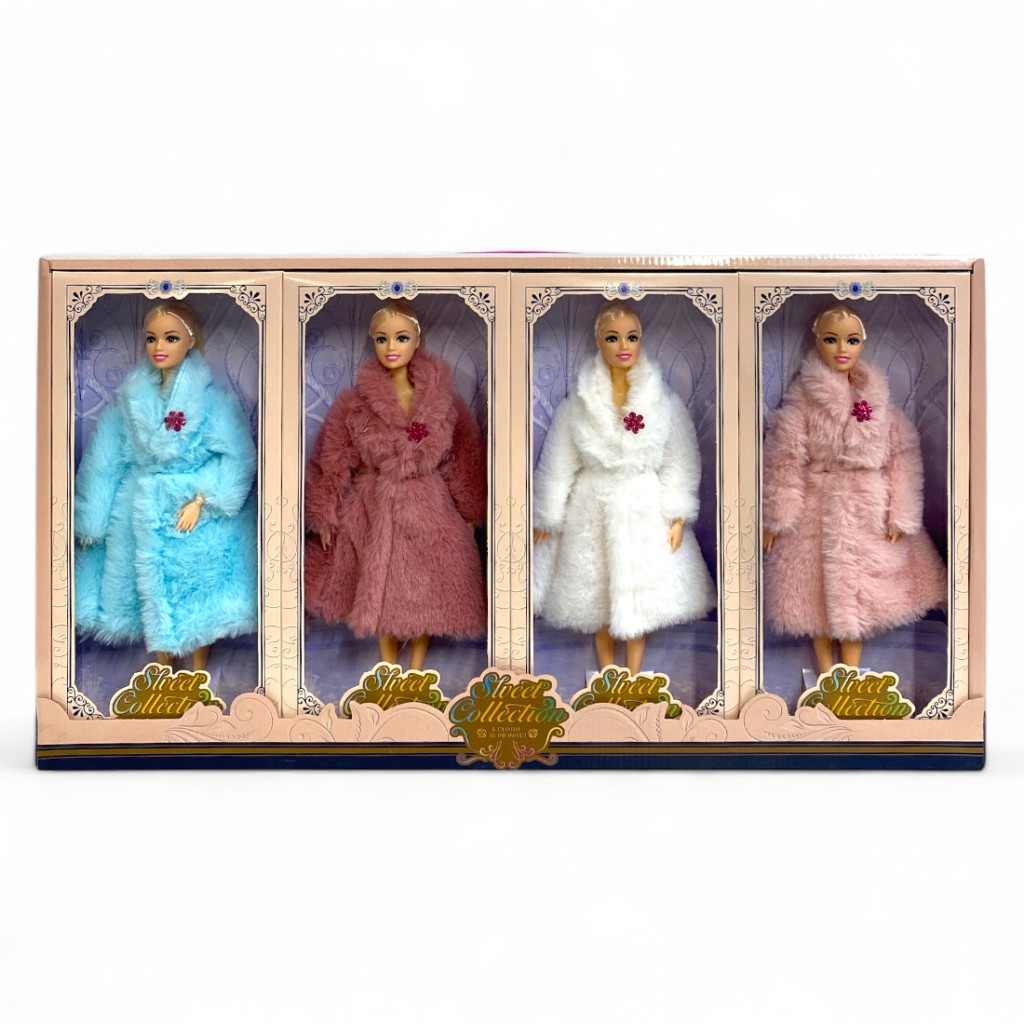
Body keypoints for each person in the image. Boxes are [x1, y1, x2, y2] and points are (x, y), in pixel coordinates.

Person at [532, 299, 716, 676]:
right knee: (596, 600)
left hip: (643, 507)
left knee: (641, 602)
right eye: (613, 337)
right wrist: (548, 513)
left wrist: (677, 514)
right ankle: (607, 676)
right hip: (592, 510)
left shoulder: (662, 402)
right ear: (599, 341)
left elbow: (679, 458)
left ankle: (632, 677)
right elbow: (559, 461)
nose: (623, 345)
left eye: (631, 336)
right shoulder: (579, 405)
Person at [761, 302, 947, 674]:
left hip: (867, 510)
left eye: (852, 340)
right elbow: (784, 458)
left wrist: (901, 513)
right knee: (813, 598)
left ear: (863, 343)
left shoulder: (880, 402)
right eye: (831, 339)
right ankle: (827, 676)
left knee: (861, 599)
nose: (842, 348)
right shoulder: (802, 403)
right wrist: (777, 517)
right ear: (817, 342)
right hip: (816, 509)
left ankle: (849, 679)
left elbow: (902, 458)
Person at [74, 300, 258, 671]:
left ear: (190, 341)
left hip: (194, 513)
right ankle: (164, 677)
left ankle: (198, 678)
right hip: (140, 510)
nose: (159, 346)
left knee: (198, 598)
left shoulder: (212, 403)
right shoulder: (129, 402)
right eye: (151, 338)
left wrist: (204, 499)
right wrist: (93, 518)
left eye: (170, 338)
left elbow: (238, 456)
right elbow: (104, 459)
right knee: (148, 598)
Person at [304, 299, 487, 670]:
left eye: (401, 338)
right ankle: (387, 670)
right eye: (382, 339)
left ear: (416, 340)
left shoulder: (443, 402)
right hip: (374, 505)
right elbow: (332, 455)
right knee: (381, 588)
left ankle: (416, 671)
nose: (391, 347)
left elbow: (464, 454)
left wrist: (470, 508)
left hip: (430, 507)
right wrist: (324, 510)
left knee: (425, 590)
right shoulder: (355, 403)